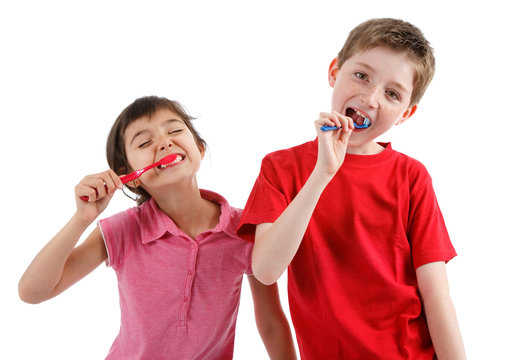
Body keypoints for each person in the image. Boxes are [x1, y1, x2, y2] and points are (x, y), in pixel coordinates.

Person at [237, 18, 466, 359]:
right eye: (362, 75)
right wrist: (323, 173)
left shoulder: (412, 177)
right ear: (334, 71)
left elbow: (436, 294)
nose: (371, 98)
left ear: (406, 113)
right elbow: (267, 270)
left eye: (392, 94)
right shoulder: (279, 169)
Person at [19, 96, 297, 360]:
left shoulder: (245, 229)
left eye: (174, 130)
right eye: (144, 143)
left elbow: (271, 323)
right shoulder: (122, 230)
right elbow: (32, 291)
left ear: (199, 149)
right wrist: (81, 219)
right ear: (130, 178)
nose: (165, 144)